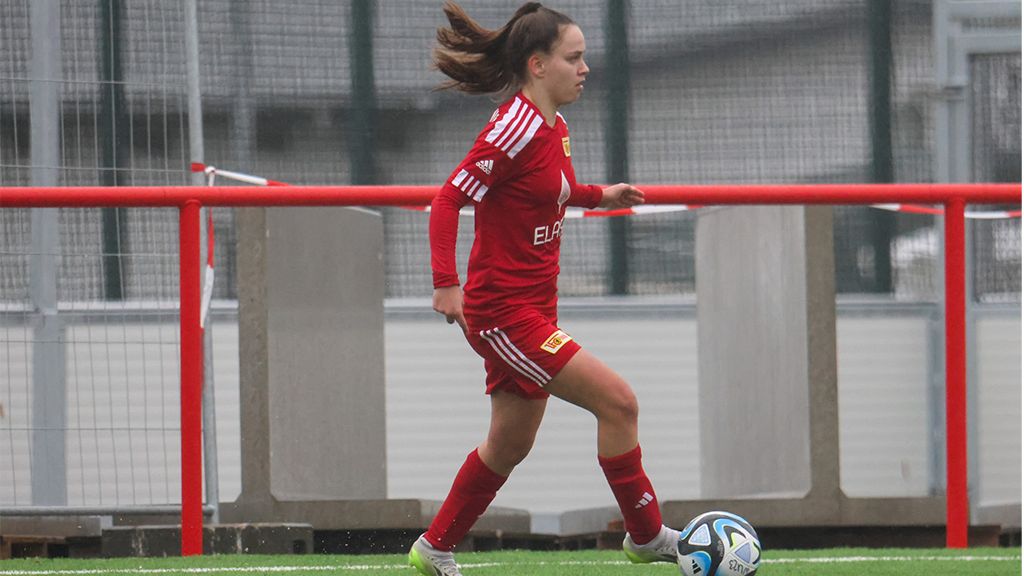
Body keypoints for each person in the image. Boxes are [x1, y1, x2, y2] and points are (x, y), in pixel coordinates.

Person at [409, 3, 679, 575]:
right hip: (504, 315)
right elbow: (449, 198)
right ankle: (646, 536)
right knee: (619, 402)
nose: (585, 69)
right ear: (537, 64)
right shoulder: (515, 127)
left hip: (534, 308)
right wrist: (445, 284)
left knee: (509, 444)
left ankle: (433, 548)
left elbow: (548, 188)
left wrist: (599, 196)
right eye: (573, 58)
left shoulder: (554, 126)